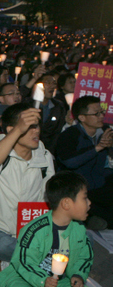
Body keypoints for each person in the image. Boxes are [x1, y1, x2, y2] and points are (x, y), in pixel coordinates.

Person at [0, 171, 98, 287]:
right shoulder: (35, 229)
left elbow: (84, 257)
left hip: (61, 283)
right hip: (29, 280)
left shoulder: (79, 230)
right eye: (84, 198)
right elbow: (24, 262)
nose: (89, 202)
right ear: (66, 203)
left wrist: (78, 276)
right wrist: (43, 281)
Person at [0, 103, 55, 262]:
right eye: (29, 127)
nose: (36, 131)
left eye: (37, 126)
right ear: (12, 130)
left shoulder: (44, 155)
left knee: (77, 239)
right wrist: (18, 130)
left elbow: (49, 197)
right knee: (3, 246)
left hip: (29, 229)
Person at [55, 95, 113, 229]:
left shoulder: (105, 131)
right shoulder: (69, 135)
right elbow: (70, 162)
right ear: (82, 117)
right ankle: (90, 219)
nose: (101, 116)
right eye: (96, 113)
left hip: (99, 186)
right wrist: (97, 148)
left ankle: (92, 219)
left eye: (101, 112)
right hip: (78, 189)